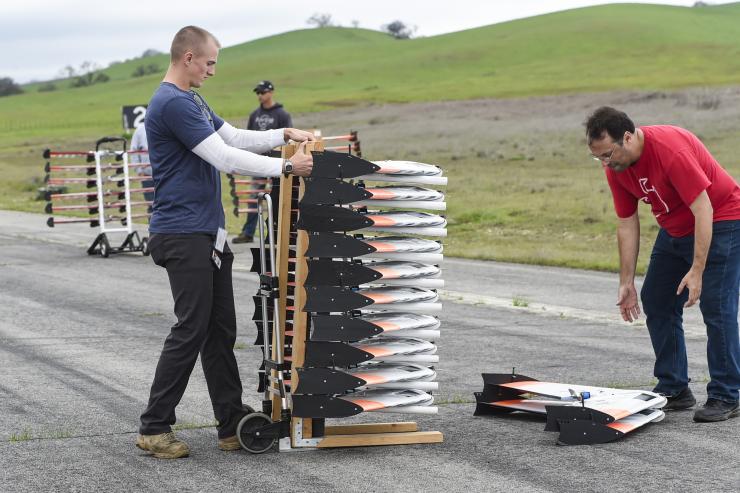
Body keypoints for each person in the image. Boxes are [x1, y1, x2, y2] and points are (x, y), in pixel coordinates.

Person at [136, 25, 315, 459]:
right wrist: (286, 170)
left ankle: (230, 422)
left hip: (206, 232)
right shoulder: (171, 102)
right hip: (182, 232)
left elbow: (232, 136)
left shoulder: (191, 99)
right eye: (210, 62)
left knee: (220, 331)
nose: (213, 71)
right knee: (192, 327)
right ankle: (154, 427)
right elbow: (223, 158)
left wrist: (280, 137)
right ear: (188, 58)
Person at [585, 106, 740, 423]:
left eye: (607, 154)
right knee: (656, 299)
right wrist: (626, 282)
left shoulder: (670, 150)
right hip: (675, 229)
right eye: (598, 157)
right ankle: (675, 389)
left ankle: (727, 394)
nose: (605, 162)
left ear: (627, 137)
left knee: (716, 305)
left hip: (723, 220)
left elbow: (704, 209)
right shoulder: (617, 168)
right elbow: (627, 223)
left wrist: (697, 270)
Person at [233, 80, 293, 243]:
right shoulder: (255, 115)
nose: (259, 95)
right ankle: (248, 232)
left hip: (276, 163)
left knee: (276, 197)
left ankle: (275, 233)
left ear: (271, 92)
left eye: (262, 92)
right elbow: (248, 138)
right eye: (257, 92)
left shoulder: (282, 114)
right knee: (254, 196)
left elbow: (288, 140)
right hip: (257, 161)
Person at [129, 122, 154, 207]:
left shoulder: (166, 126)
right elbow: (133, 150)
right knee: (152, 205)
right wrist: (139, 170)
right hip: (147, 175)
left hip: (166, 175)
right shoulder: (140, 129)